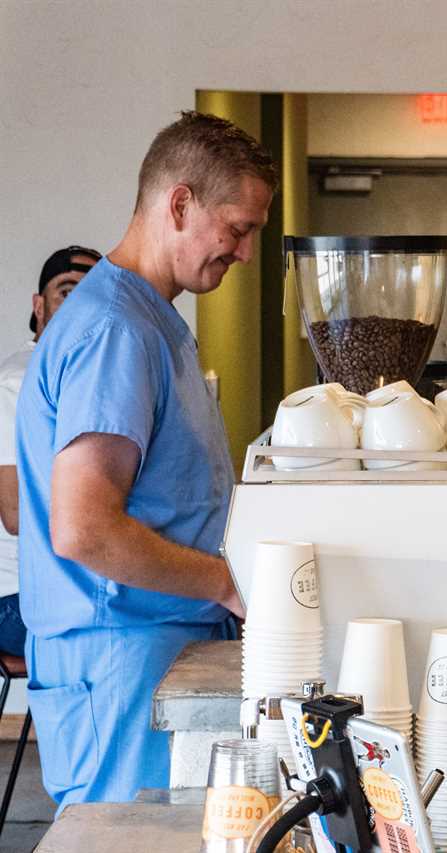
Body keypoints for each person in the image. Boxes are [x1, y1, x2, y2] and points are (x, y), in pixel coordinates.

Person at [15, 111, 275, 808]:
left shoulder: (154, 320)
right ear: (181, 202)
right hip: (121, 656)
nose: (245, 253)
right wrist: (224, 580)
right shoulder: (113, 330)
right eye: (239, 228)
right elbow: (85, 528)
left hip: (154, 647)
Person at [0, 246, 102, 657]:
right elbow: (14, 514)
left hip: (73, 586)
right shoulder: (17, 383)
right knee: (131, 637)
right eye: (66, 293)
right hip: (18, 599)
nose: (79, 307)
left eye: (91, 296)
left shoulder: (87, 378)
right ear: (38, 306)